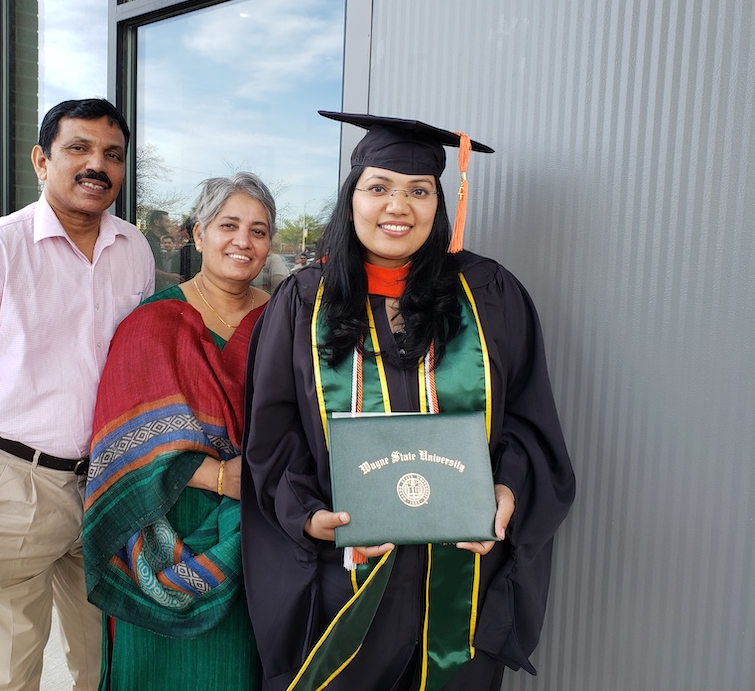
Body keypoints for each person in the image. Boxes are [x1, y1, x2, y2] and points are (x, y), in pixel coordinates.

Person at [241, 111, 575, 691]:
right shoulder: (304, 302)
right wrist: (310, 518)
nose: (398, 206)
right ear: (352, 200)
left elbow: (529, 419)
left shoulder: (489, 294)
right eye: (379, 188)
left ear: (438, 205)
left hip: (462, 582)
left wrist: (506, 493)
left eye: (418, 191)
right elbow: (275, 438)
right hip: (347, 583)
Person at [0, 98, 154, 690]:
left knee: (106, 667)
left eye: (112, 154)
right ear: (41, 161)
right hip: (9, 489)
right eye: (79, 148)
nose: (97, 164)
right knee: (5, 675)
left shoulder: (137, 251)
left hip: (105, 487)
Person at [82, 172, 276, 690]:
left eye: (259, 230)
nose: (243, 241)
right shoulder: (152, 323)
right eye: (228, 225)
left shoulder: (286, 320)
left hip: (261, 526)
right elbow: (119, 446)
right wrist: (218, 477)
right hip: (166, 517)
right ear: (198, 234)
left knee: (241, 668)